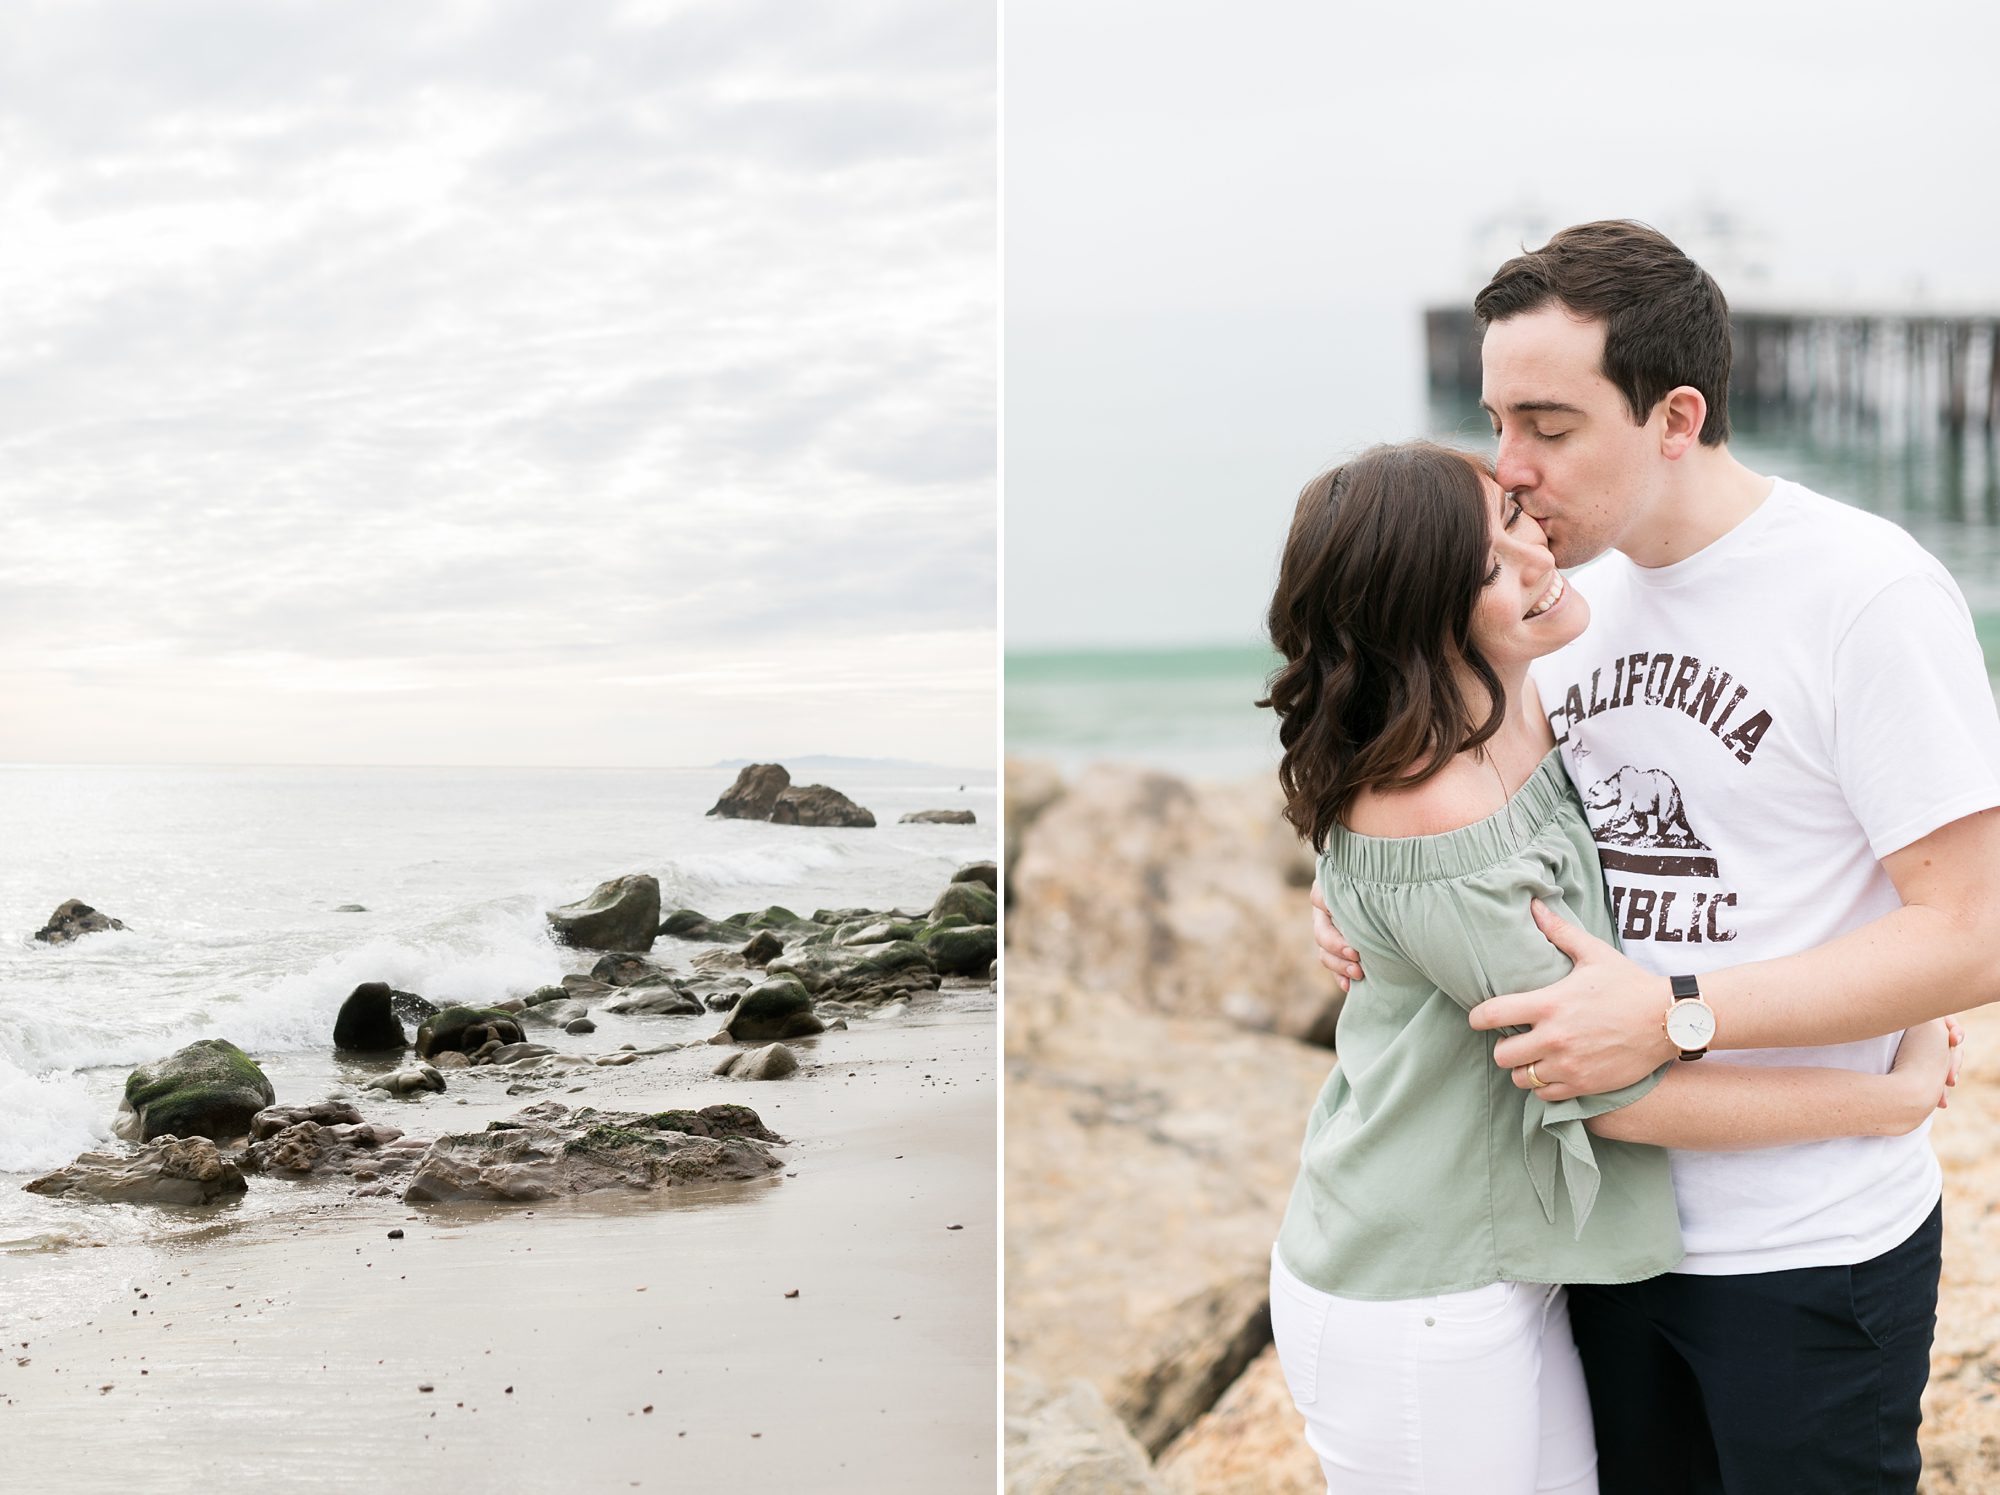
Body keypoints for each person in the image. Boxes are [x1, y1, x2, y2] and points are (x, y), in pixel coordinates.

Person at [1310, 221, 2000, 1493]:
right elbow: (1401, 751)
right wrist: (1346, 893)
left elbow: (1972, 931)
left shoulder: (1864, 594)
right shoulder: (1543, 604)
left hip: (1806, 1247)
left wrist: (1677, 1011)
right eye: (1493, 421)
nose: (1506, 473)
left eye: (1548, 426)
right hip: (1588, 1236)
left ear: (1673, 416)